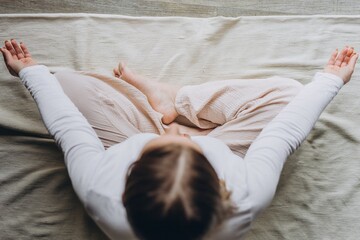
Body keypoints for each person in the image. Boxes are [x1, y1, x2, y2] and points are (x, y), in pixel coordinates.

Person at [0, 39, 357, 240]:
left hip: (127, 139)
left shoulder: (99, 187)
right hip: (227, 147)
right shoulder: (248, 193)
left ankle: (169, 104)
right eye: (184, 139)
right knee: (292, 96)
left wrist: (31, 72)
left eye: (167, 138)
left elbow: (68, 129)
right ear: (223, 188)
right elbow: (283, 134)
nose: (174, 131)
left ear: (126, 183)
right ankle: (178, 100)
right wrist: (330, 81)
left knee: (62, 83)